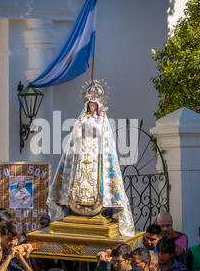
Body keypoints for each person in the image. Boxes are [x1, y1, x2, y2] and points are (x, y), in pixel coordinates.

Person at [46, 80, 135, 238]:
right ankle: (75, 206)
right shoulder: (83, 118)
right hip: (82, 155)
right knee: (79, 179)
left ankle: (100, 207)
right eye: (90, 105)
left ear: (98, 106)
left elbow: (104, 137)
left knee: (96, 179)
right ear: (87, 106)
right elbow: (75, 136)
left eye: (95, 105)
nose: (92, 107)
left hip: (97, 155)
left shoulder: (102, 120)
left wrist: (98, 122)